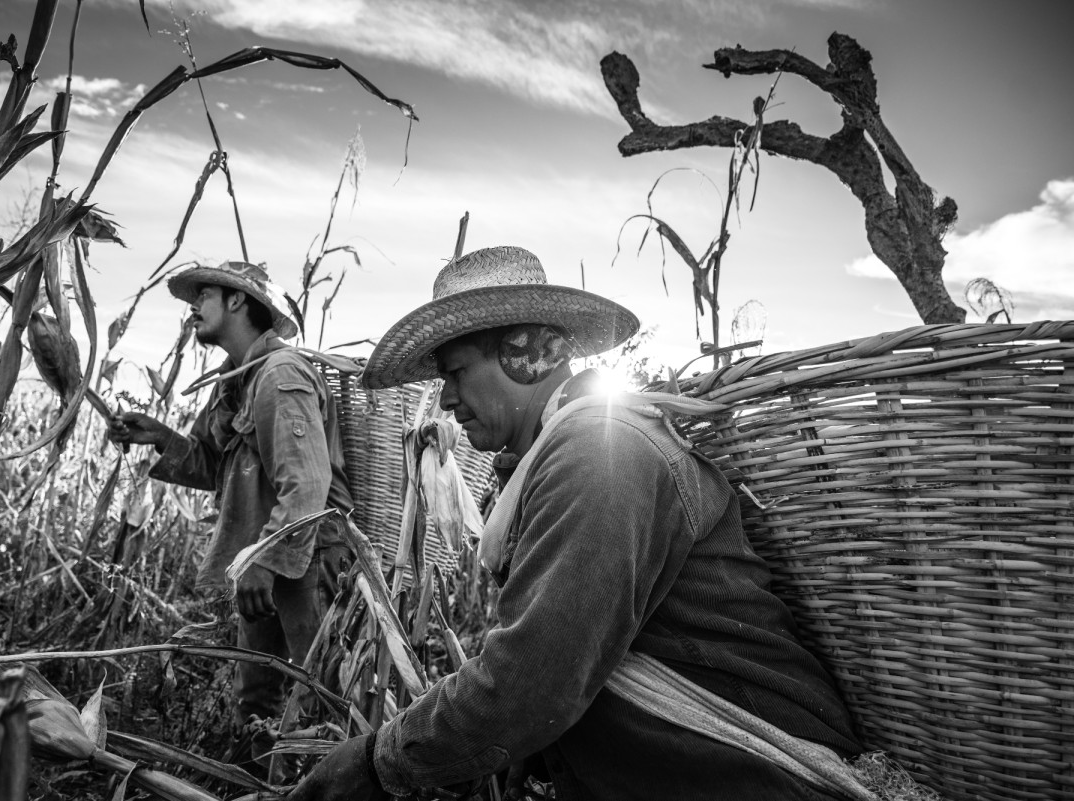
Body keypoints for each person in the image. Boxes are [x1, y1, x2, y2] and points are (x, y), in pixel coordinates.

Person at [289, 245, 862, 800]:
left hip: (749, 770)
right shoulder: (551, 460)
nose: (444, 400)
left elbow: (531, 683)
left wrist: (376, 762)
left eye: (457, 372)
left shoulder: (599, 452)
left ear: (527, 353)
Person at [107, 260, 354, 776]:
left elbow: (306, 484)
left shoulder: (281, 375)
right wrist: (159, 436)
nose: (192, 307)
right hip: (264, 559)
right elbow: (212, 465)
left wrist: (264, 562)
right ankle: (265, 786)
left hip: (304, 557)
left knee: (320, 699)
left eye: (204, 295)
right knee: (256, 698)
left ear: (238, 301)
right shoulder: (235, 382)